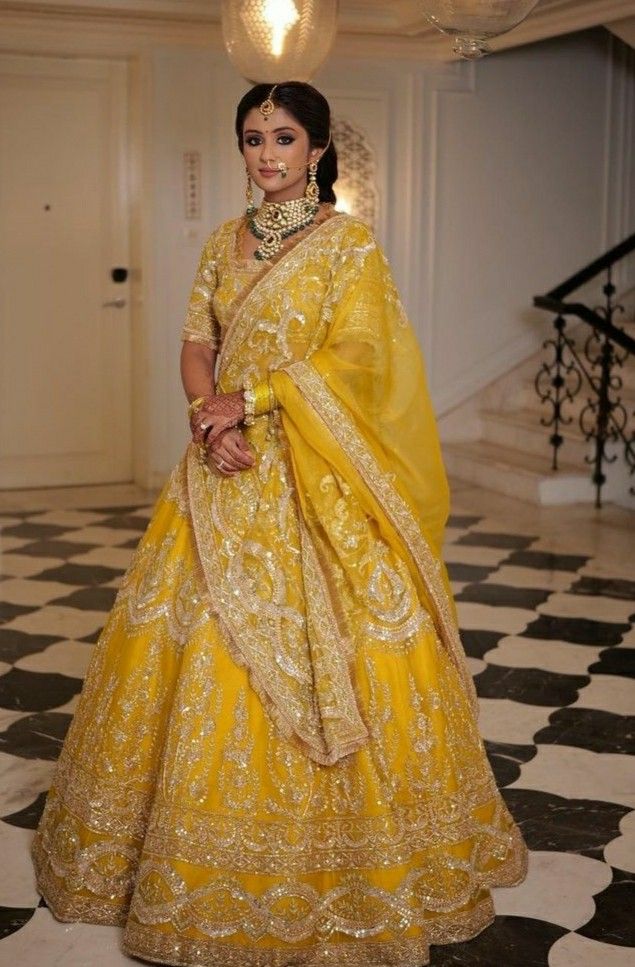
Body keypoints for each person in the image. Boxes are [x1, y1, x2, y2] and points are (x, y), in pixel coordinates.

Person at [32, 80, 527, 967]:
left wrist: (248, 401)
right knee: (190, 640)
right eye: (253, 138)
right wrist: (205, 416)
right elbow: (194, 341)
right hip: (219, 470)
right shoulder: (227, 243)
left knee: (341, 648)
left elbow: (359, 361)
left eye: (285, 138)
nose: (267, 154)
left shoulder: (347, 246)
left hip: (313, 473)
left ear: (318, 150)